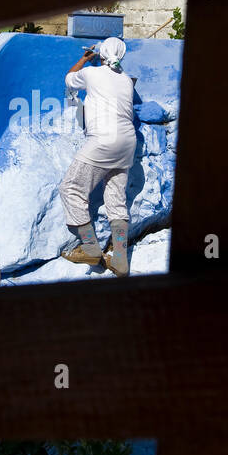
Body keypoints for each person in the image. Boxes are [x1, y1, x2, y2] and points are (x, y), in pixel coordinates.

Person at [59, 36, 136, 276]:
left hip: (103, 140)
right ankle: (121, 260)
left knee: (70, 188)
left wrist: (83, 60)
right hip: (127, 142)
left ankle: (91, 248)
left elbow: (69, 80)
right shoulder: (126, 81)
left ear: (101, 53)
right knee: (115, 198)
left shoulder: (92, 74)